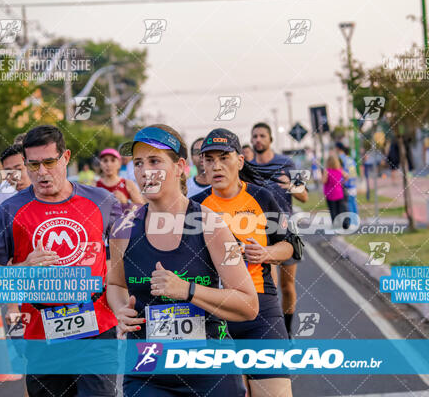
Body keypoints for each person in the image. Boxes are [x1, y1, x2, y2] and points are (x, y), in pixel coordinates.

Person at [107, 124, 258, 396]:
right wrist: (120, 310)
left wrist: (188, 290)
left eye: (155, 161)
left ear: (180, 167)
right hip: (148, 368)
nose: (145, 171)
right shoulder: (123, 228)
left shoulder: (212, 225)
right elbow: (115, 285)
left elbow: (248, 304)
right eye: (139, 163)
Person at [0, 125, 120, 397]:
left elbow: (122, 258)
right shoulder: (9, 211)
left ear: (66, 157)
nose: (42, 172)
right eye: (33, 165)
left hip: (97, 326)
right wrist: (23, 269)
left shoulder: (103, 201)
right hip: (41, 330)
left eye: (49, 162)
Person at [193, 128, 294, 397]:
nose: (216, 166)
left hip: (261, 307)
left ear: (239, 161)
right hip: (214, 312)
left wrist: (266, 254)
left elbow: (290, 245)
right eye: (209, 159)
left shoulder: (262, 197)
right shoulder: (193, 207)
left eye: (224, 158)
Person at [250, 122, 307, 339]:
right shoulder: (248, 167)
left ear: (270, 139)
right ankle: (274, 330)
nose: (258, 140)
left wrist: (291, 186)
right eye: (254, 136)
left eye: (262, 136)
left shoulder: (287, 163)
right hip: (260, 233)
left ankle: (289, 329)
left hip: (287, 232)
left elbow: (304, 196)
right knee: (268, 285)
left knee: (287, 285)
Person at [0, 144, 32, 230]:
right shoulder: (3, 192)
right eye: (8, 172)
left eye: (19, 169)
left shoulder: (47, 190)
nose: (14, 177)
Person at [336, 142, 358, 219]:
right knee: (353, 203)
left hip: (346, 184)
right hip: (353, 184)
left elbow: (339, 171)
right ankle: (356, 220)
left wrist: (341, 182)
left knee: (348, 204)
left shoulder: (341, 159)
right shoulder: (350, 159)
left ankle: (352, 221)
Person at [322, 155, 347, 224]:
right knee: (340, 210)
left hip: (330, 194)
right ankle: (343, 223)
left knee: (333, 210)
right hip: (339, 192)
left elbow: (324, 181)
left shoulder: (327, 171)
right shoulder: (339, 170)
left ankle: (336, 224)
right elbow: (346, 176)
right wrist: (342, 182)